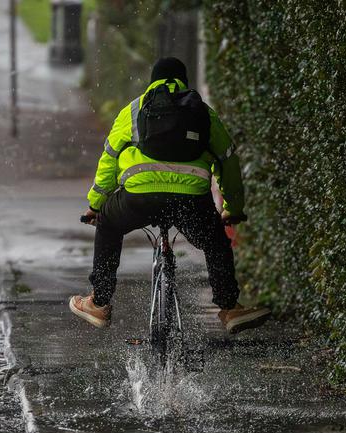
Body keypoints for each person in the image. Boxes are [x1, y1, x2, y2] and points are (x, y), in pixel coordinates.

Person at [70, 57, 269, 334]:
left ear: (153, 81)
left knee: (108, 224)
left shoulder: (134, 109)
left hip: (139, 199)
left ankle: (100, 302)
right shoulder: (203, 113)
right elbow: (228, 161)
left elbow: (109, 160)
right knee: (214, 241)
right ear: (184, 82)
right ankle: (229, 307)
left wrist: (96, 205)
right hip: (190, 201)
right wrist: (232, 208)